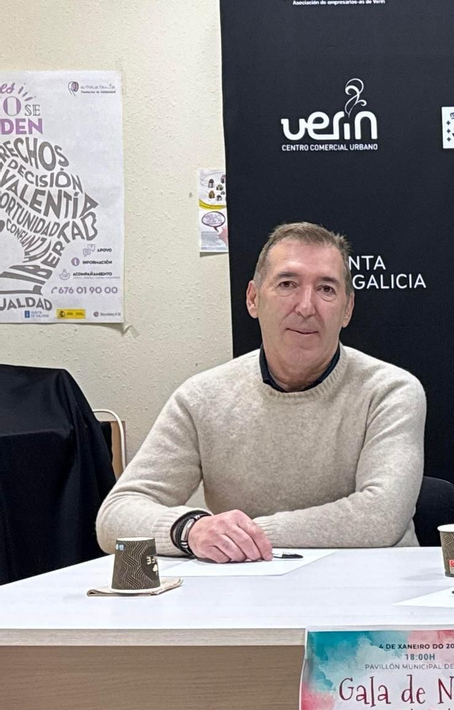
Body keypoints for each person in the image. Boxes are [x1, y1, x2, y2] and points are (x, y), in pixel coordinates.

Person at [96, 222, 426, 561]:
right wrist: (191, 530)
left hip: (371, 586)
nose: (306, 306)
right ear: (253, 299)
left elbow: (380, 516)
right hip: (248, 588)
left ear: (347, 309)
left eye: (326, 289)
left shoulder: (389, 392)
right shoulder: (201, 399)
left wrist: (244, 536)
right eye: (287, 284)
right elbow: (116, 515)